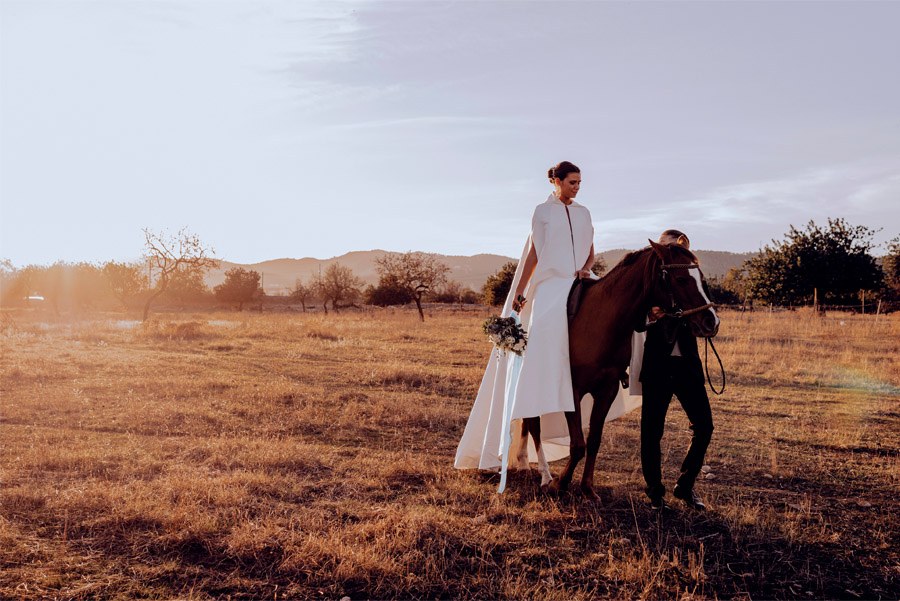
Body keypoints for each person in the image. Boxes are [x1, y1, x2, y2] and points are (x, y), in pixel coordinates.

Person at [454, 161, 606, 489]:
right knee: (548, 324)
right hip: (551, 282)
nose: (577, 187)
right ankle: (544, 380)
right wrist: (522, 290)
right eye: (571, 182)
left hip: (580, 277)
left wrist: (586, 268)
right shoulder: (542, 212)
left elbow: (591, 251)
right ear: (555, 181)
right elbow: (535, 253)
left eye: (580, 182)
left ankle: (615, 371)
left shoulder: (584, 213)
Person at [637, 230, 714, 511]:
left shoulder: (690, 280)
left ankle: (685, 486)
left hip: (687, 367)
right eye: (672, 248)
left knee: (704, 426)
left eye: (682, 249)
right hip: (658, 366)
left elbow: (704, 307)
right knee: (651, 432)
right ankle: (655, 493)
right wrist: (650, 314)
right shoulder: (649, 281)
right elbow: (633, 319)